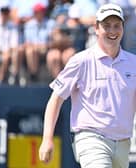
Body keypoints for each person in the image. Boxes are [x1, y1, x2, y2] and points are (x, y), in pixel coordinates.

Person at [39, 3, 136, 168]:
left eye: (116, 26)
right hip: (91, 139)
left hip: (123, 143)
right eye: (106, 26)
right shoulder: (80, 60)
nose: (112, 31)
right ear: (96, 28)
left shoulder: (133, 62)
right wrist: (47, 139)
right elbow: (55, 100)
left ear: (123, 28)